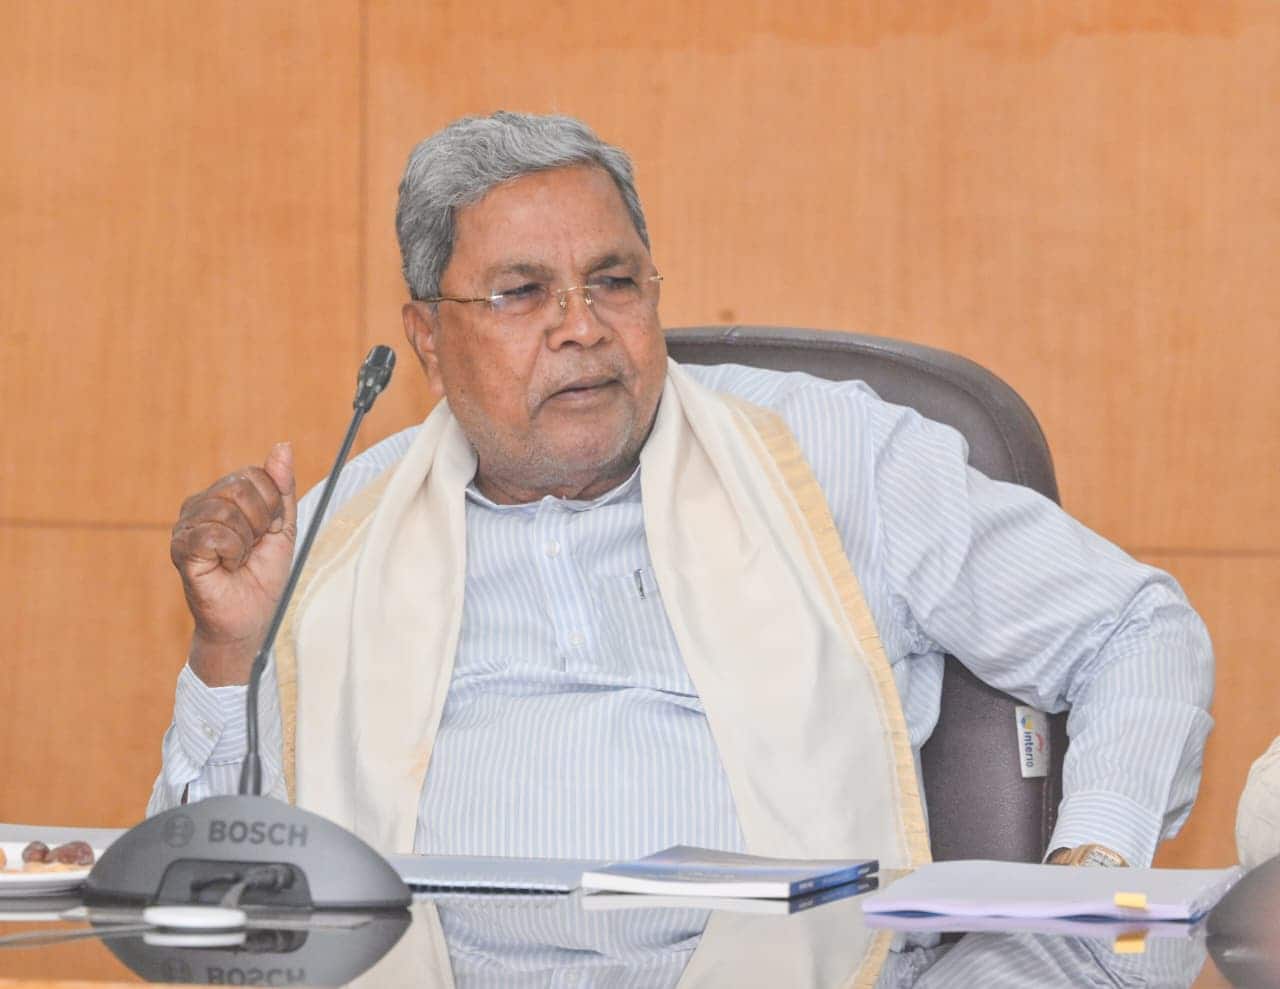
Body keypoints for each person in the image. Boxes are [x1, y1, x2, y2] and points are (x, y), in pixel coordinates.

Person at [149, 111, 1213, 869]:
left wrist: (1091, 858)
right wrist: (230, 653)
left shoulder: (833, 455)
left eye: (613, 281)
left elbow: (1133, 625)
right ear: (426, 335)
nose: (581, 326)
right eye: (522, 292)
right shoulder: (343, 530)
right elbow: (209, 887)